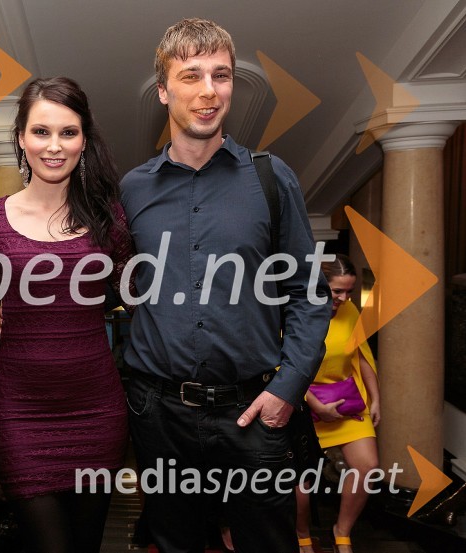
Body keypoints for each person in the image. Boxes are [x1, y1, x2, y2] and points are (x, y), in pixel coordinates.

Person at [119, 18, 332, 553]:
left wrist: (287, 389)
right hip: (159, 414)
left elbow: (310, 292)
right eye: (191, 75)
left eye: (222, 74)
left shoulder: (270, 177)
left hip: (254, 411)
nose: (209, 90)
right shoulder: (132, 189)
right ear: (164, 90)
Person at [0, 76, 134, 553]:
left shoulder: (108, 218)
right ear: (21, 137)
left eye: (69, 132)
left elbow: (135, 297)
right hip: (20, 412)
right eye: (41, 132)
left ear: (85, 139)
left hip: (97, 409)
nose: (55, 146)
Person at [296, 254, 380, 553]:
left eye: (349, 291)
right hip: (304, 403)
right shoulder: (296, 312)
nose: (344, 298)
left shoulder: (350, 310)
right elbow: (284, 367)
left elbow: (362, 355)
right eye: (337, 291)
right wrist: (317, 407)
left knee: (367, 467)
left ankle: (341, 532)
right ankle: (302, 535)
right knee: (299, 482)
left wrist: (376, 398)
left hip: (347, 402)